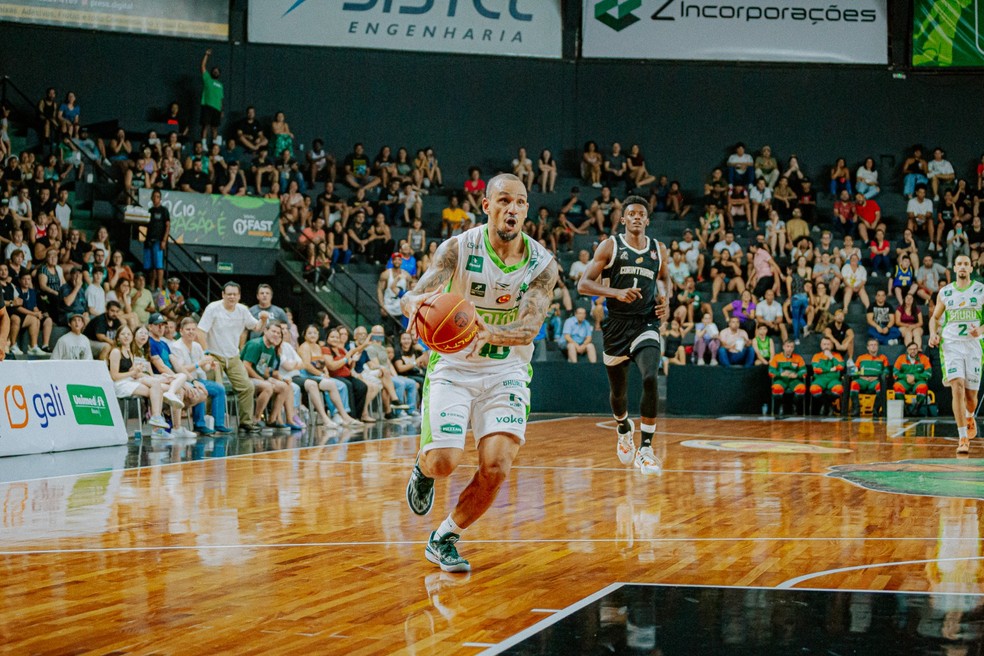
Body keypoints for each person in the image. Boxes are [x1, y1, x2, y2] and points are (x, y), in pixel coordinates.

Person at [401, 173, 558, 572]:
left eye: (520, 203)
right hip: (454, 365)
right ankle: (422, 469)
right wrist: (413, 304)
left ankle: (445, 538)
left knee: (496, 466)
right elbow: (420, 294)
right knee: (443, 462)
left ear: (527, 210)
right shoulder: (458, 248)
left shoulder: (541, 265)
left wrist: (490, 332)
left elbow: (529, 328)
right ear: (486, 205)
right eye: (504, 200)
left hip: (506, 367)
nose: (513, 209)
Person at [576, 195, 668, 473]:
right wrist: (615, 292)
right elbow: (583, 284)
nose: (637, 217)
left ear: (647, 220)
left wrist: (666, 301)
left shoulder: (658, 249)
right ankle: (622, 428)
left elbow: (664, 278)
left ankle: (647, 448)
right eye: (632, 213)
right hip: (617, 325)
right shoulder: (610, 246)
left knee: (651, 375)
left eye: (642, 213)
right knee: (619, 392)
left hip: (645, 322)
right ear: (624, 219)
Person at [928, 254, 984, 455]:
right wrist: (933, 333)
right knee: (957, 386)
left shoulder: (980, 290)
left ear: (971, 269)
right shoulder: (945, 292)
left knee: (971, 397)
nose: (962, 267)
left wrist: (982, 329)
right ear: (954, 268)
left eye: (966, 264)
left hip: (974, 346)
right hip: (951, 345)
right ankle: (962, 437)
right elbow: (934, 318)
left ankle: (970, 416)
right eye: (959, 263)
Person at [196, 282, 269, 434]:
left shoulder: (242, 310)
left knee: (247, 387)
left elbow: (256, 328)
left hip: (233, 355)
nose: (231, 297)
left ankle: (245, 423)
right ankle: (210, 423)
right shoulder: (213, 308)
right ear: (223, 295)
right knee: (216, 387)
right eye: (228, 294)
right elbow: (201, 331)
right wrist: (206, 353)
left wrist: (263, 320)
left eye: (234, 294)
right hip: (214, 354)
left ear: (239, 296)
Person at [170, 317, 233, 436]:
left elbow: (204, 368)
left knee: (219, 388)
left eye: (193, 329)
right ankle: (199, 424)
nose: (191, 332)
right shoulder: (176, 346)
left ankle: (219, 424)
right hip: (183, 380)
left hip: (198, 379)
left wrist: (210, 364)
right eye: (188, 329)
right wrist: (200, 364)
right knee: (200, 390)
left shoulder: (197, 346)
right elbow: (180, 368)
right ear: (181, 331)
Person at [850, 338, 889, 417]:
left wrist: (877, 377)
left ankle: (875, 410)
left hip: (875, 381)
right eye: (871, 345)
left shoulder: (883, 358)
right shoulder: (861, 358)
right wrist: (861, 376)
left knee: (880, 386)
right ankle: (856, 409)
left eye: (875, 345)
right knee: (854, 384)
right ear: (867, 347)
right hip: (862, 380)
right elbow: (854, 370)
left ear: (878, 347)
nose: (873, 347)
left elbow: (886, 371)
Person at [893, 342, 932, 415]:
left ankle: (916, 409)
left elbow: (928, 373)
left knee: (923, 387)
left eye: (914, 349)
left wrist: (915, 377)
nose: (913, 351)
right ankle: (905, 409)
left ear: (918, 350)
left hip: (918, 381)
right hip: (904, 381)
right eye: (910, 349)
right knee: (897, 386)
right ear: (907, 350)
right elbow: (895, 373)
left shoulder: (923, 358)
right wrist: (906, 377)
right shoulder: (901, 358)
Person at [769, 339, 806, 416]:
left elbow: (804, 370)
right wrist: (780, 374)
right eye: (787, 346)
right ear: (783, 347)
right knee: (776, 388)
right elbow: (771, 371)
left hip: (794, 380)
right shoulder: (776, 357)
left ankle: (794, 405)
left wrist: (797, 374)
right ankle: (781, 406)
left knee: (801, 388)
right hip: (781, 380)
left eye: (792, 347)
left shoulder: (798, 358)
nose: (789, 349)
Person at [810, 337, 845, 416]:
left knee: (838, 389)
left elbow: (841, 366)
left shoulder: (837, 355)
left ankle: (826, 406)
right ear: (821, 345)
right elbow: (816, 369)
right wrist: (831, 369)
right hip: (820, 379)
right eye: (824, 344)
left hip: (833, 379)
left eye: (828, 344)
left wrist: (832, 357)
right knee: (814, 389)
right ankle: (828, 406)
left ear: (832, 345)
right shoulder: (816, 356)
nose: (826, 346)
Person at [144, 190, 169, 292]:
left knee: (159, 265)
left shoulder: (164, 210)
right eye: (154, 196)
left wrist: (164, 240)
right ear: (151, 198)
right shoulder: (150, 211)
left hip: (159, 241)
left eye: (157, 197)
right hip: (149, 240)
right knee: (150, 265)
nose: (155, 198)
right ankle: (152, 286)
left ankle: (159, 287)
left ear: (160, 198)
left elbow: (167, 226)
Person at [199, 49, 223, 145]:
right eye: (214, 71)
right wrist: (206, 55)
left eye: (217, 72)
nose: (216, 72)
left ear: (219, 74)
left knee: (215, 127)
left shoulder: (221, 85)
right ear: (212, 72)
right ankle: (203, 144)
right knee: (206, 125)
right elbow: (203, 66)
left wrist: (221, 110)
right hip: (207, 106)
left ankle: (214, 145)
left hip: (217, 109)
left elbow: (221, 98)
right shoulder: (207, 79)